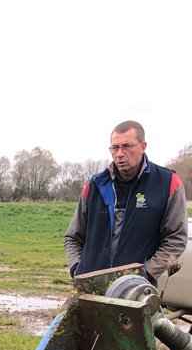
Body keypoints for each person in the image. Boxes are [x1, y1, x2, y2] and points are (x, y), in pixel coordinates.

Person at [64, 120, 188, 286]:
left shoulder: (167, 183)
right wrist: (77, 270)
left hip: (135, 291)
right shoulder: (94, 186)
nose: (119, 154)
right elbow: (72, 237)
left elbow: (176, 238)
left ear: (142, 147)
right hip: (90, 289)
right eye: (115, 148)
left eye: (127, 146)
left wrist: (145, 275)